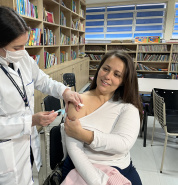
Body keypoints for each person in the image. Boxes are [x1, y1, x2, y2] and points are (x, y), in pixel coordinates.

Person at [0, 6, 82, 185]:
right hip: (7, 151)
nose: (23, 50)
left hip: (28, 141)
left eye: (24, 45)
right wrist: (31, 121)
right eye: (17, 46)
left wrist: (64, 91)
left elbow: (41, 80)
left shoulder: (20, 56)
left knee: (31, 176)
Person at [61, 50, 143, 185]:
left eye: (117, 74)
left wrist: (84, 135)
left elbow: (123, 144)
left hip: (119, 167)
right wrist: (98, 181)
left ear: (123, 81)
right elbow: (75, 150)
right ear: (99, 69)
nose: (107, 76)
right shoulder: (77, 101)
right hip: (80, 167)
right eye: (105, 69)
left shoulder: (128, 107)